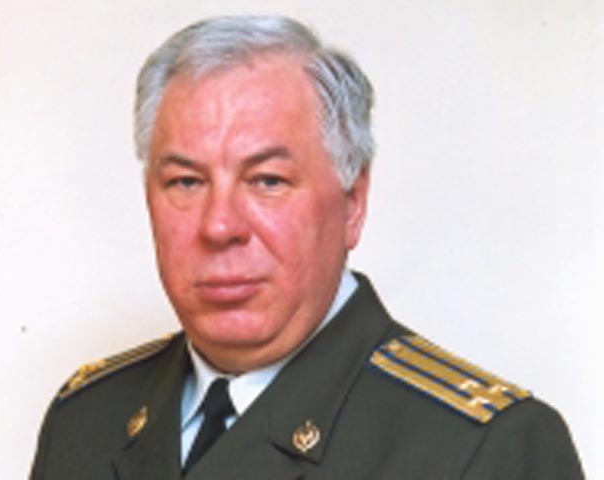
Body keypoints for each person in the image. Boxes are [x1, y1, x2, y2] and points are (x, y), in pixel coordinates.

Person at [30, 15, 583, 479]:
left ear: (353, 202)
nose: (219, 226)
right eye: (186, 182)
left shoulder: (485, 451)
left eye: (267, 180)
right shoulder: (85, 420)